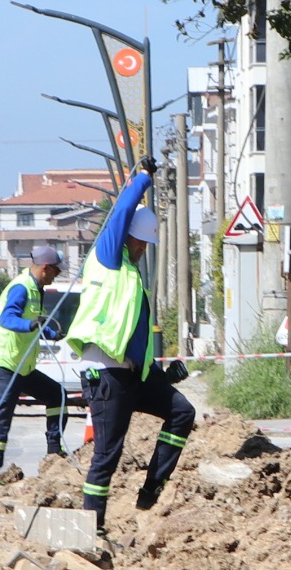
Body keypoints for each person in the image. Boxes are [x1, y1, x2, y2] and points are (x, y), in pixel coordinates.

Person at [66, 164, 195, 540]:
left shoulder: (131, 276)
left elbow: (130, 338)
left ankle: (152, 489)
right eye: (140, 242)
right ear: (127, 239)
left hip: (129, 373)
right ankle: (93, 529)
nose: (143, 249)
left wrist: (158, 373)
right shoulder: (106, 258)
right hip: (105, 374)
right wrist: (142, 179)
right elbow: (122, 212)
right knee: (107, 454)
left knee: (182, 412)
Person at [0, 245, 67, 495]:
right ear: (45, 268)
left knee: (57, 396)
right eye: (55, 273)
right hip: (3, 364)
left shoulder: (36, 290)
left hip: (22, 366)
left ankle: (53, 454)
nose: (55, 277)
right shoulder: (21, 287)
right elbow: (8, 318)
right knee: (0, 421)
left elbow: (35, 322)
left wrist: (50, 332)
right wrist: (30, 324)